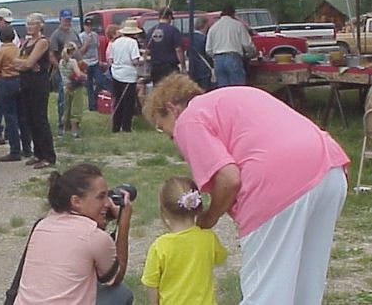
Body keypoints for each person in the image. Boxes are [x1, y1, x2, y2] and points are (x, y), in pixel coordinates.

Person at [143, 73, 350, 305]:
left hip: (277, 184)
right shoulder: (235, 95)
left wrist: (210, 217)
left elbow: (229, 178)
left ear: (171, 108)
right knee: (306, 287)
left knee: (266, 291)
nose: (171, 136)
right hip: (330, 168)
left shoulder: (189, 119)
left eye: (163, 128)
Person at [14, 163, 133, 305]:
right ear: (76, 201)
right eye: (101, 197)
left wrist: (100, 219)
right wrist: (124, 222)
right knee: (121, 293)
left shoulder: (42, 224)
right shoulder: (93, 236)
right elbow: (115, 276)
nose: (107, 203)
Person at [141, 176, 227, 305]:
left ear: (164, 211)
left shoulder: (160, 246)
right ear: (198, 206)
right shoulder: (208, 238)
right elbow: (221, 258)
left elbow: (151, 283)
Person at [13, 13, 57, 169]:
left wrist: (25, 63)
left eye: (33, 24)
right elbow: (16, 61)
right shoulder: (26, 42)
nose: (29, 26)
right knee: (29, 118)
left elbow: (30, 62)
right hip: (26, 82)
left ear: (40, 26)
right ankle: (38, 152)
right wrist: (24, 63)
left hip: (38, 83)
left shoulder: (42, 42)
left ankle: (48, 155)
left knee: (39, 119)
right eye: (27, 24)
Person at [0, 25, 24, 161]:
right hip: (20, 80)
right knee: (22, 116)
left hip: (7, 81)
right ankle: (27, 147)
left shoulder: (1, 51)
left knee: (10, 117)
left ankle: (15, 150)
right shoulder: (18, 49)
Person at [49, 9, 81, 136]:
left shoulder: (74, 32)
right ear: (60, 19)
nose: (68, 22)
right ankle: (62, 125)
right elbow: (51, 55)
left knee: (75, 99)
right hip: (63, 71)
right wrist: (61, 68)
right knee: (63, 99)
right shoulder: (56, 35)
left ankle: (72, 124)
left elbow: (79, 50)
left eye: (69, 19)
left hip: (75, 70)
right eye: (65, 19)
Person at [205, 4, 254, 87]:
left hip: (218, 60)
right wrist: (251, 53)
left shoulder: (213, 28)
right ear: (233, 14)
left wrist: (216, 56)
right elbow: (247, 44)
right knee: (237, 88)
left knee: (223, 90)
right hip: (233, 57)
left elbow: (208, 49)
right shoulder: (237, 25)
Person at [108, 19, 142, 133]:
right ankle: (126, 126)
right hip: (128, 75)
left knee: (118, 100)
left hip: (116, 73)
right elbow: (135, 61)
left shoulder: (115, 42)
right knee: (129, 102)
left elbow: (111, 59)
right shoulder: (133, 43)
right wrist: (141, 60)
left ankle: (116, 126)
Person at [145, 8, 185, 84]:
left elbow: (147, 51)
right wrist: (183, 67)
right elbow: (178, 50)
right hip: (170, 68)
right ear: (169, 17)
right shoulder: (173, 30)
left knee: (159, 92)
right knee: (171, 92)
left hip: (155, 68)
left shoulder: (150, 31)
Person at [58, 41, 86, 138]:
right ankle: (74, 130)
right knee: (76, 108)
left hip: (65, 86)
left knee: (67, 108)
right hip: (75, 87)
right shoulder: (73, 62)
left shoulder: (61, 62)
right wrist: (85, 75)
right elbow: (78, 74)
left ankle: (65, 129)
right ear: (73, 51)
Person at [79, 18, 105, 111]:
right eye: (87, 26)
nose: (88, 28)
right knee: (88, 84)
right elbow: (80, 52)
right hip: (86, 62)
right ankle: (92, 105)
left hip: (95, 61)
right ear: (84, 26)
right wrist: (86, 43)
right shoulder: (81, 36)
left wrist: (100, 59)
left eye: (90, 26)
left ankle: (95, 96)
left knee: (100, 81)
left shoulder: (95, 35)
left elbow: (97, 48)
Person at [188, 16, 213, 91]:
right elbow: (208, 53)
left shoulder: (190, 38)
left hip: (193, 69)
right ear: (205, 25)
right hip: (204, 69)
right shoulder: (204, 39)